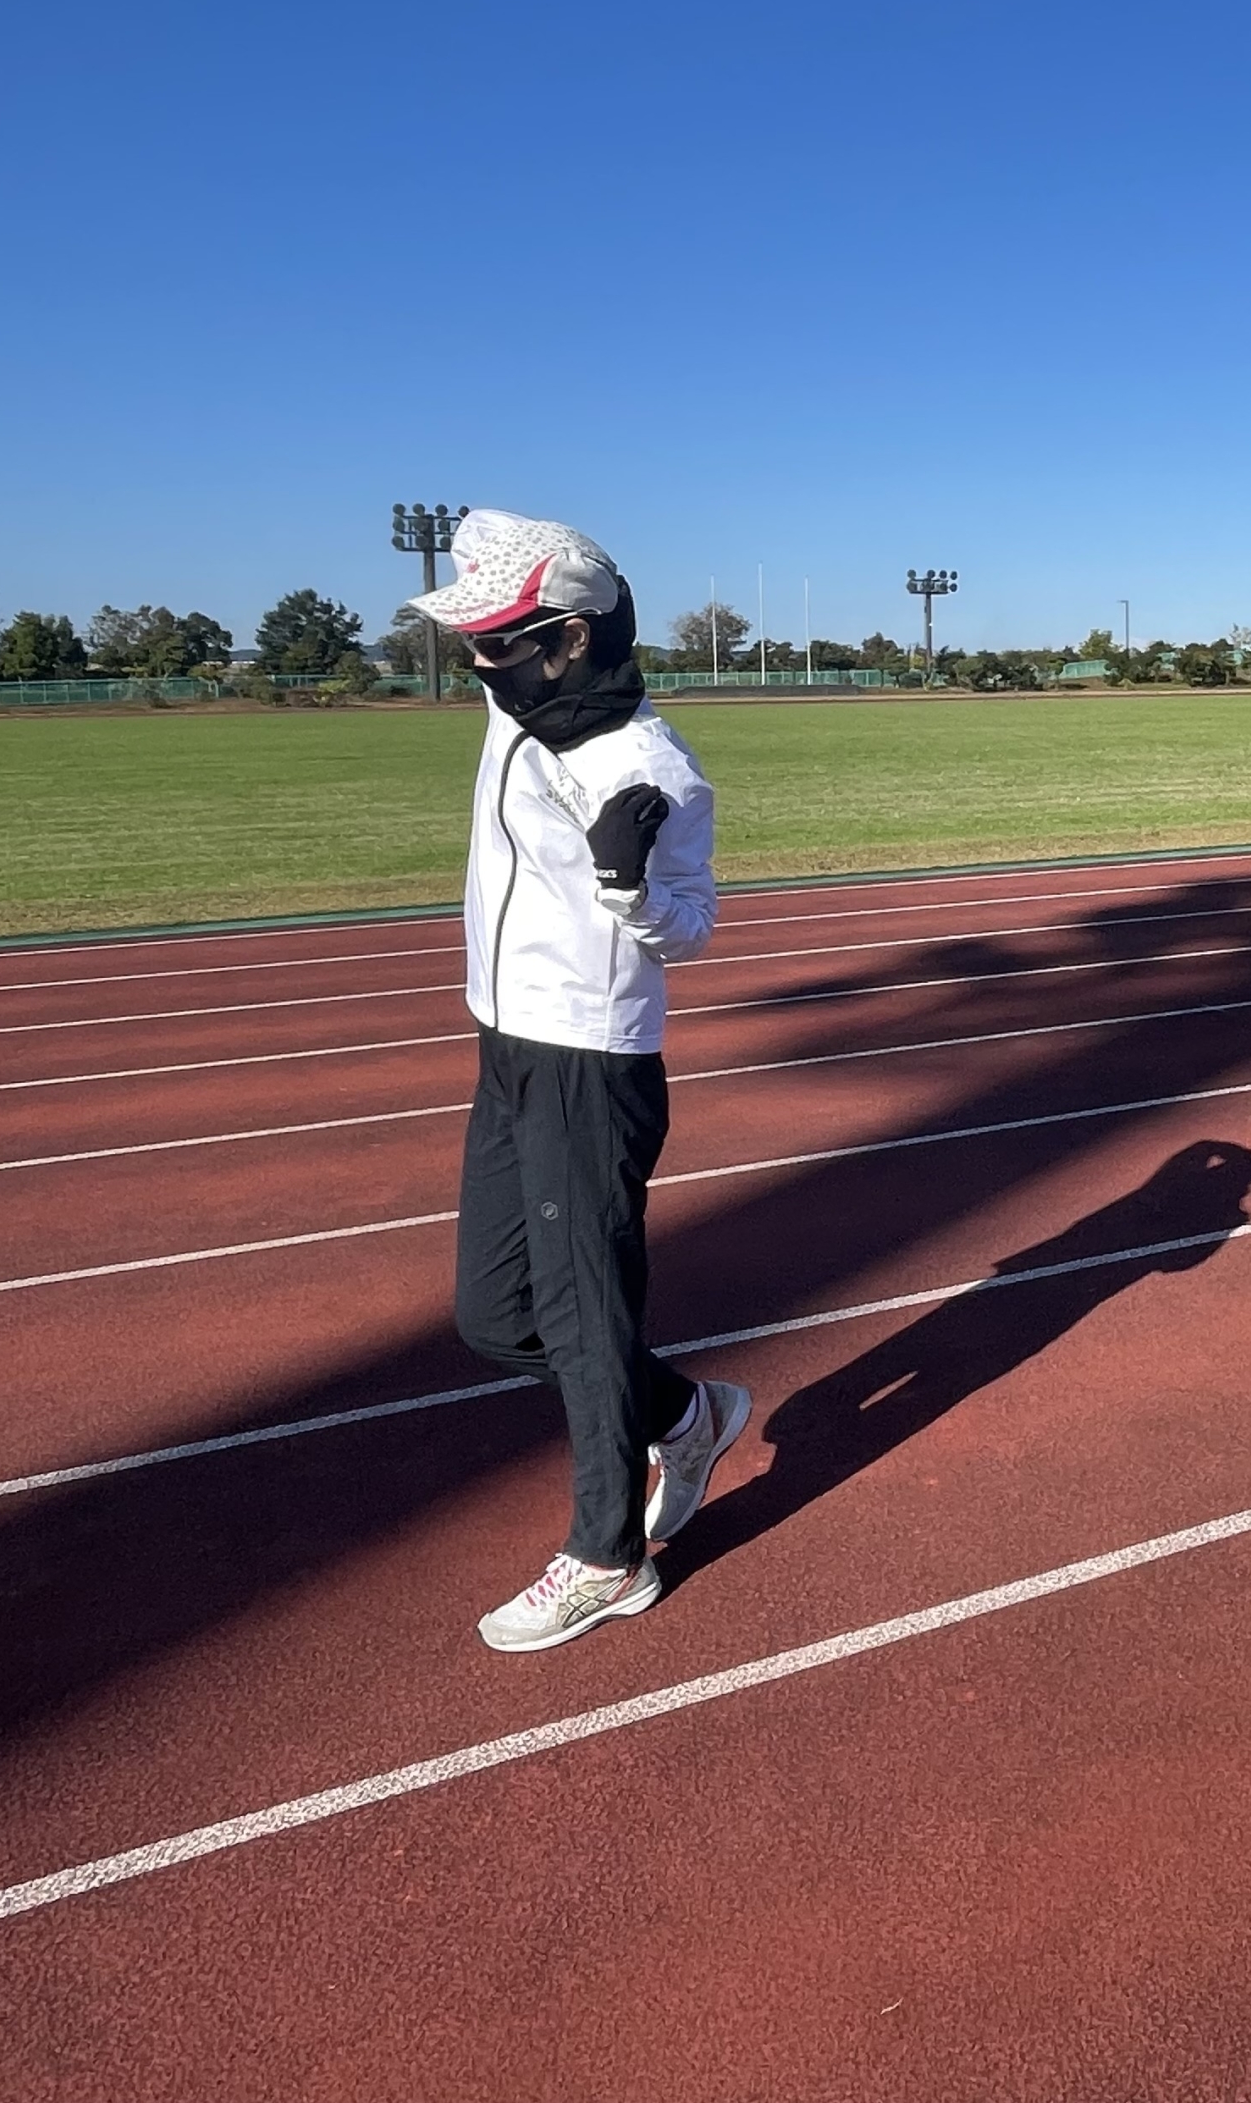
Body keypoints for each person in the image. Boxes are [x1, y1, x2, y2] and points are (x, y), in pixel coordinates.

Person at [407, 508, 752, 1653]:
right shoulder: (520, 706)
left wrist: (629, 889)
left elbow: (693, 924)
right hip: (504, 1041)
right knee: (494, 1316)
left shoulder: (646, 765)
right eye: (472, 642)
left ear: (573, 638)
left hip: (591, 1060)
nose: (480, 662)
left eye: (500, 641)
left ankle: (609, 1556)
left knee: (580, 1311)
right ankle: (685, 1414)